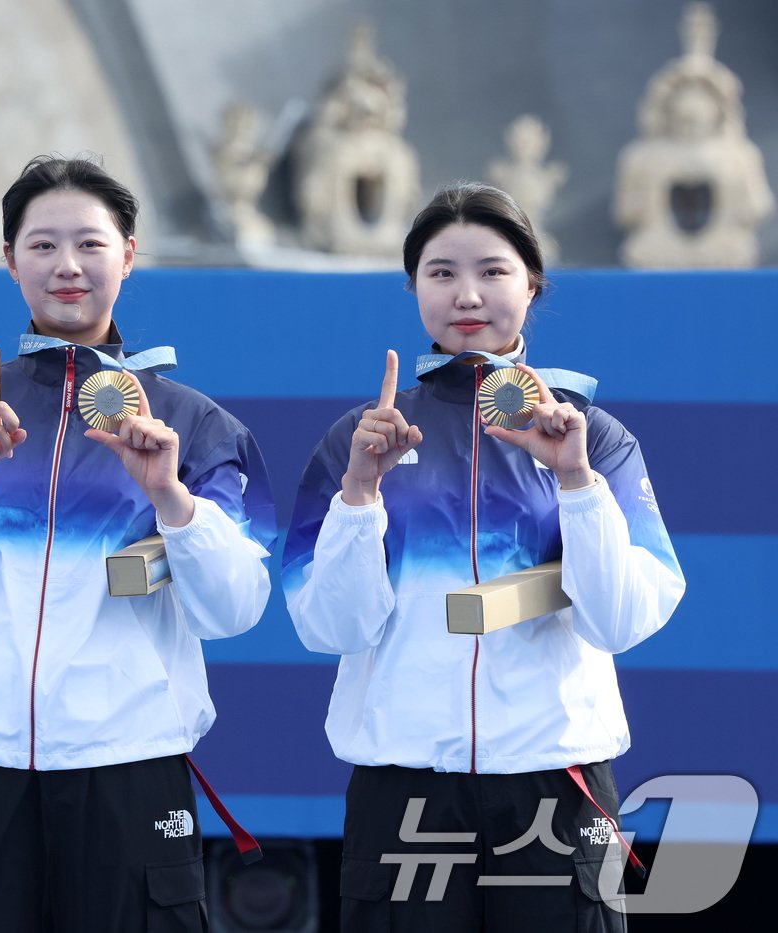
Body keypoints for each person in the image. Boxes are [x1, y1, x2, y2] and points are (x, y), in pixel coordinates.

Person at [0, 155, 277, 931]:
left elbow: (234, 608)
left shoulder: (193, 425)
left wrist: (169, 494)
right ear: (9, 260)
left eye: (90, 244)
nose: (67, 266)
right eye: (43, 244)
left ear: (128, 253)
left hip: (128, 764)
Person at [281, 182, 685, 931]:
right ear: (413, 287)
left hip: (554, 782)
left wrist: (575, 479)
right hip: (406, 785)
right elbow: (328, 626)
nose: (468, 294)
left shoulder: (595, 436)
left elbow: (623, 617)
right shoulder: (361, 437)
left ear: (532, 283)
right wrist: (361, 491)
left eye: (494, 271)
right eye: (441, 273)